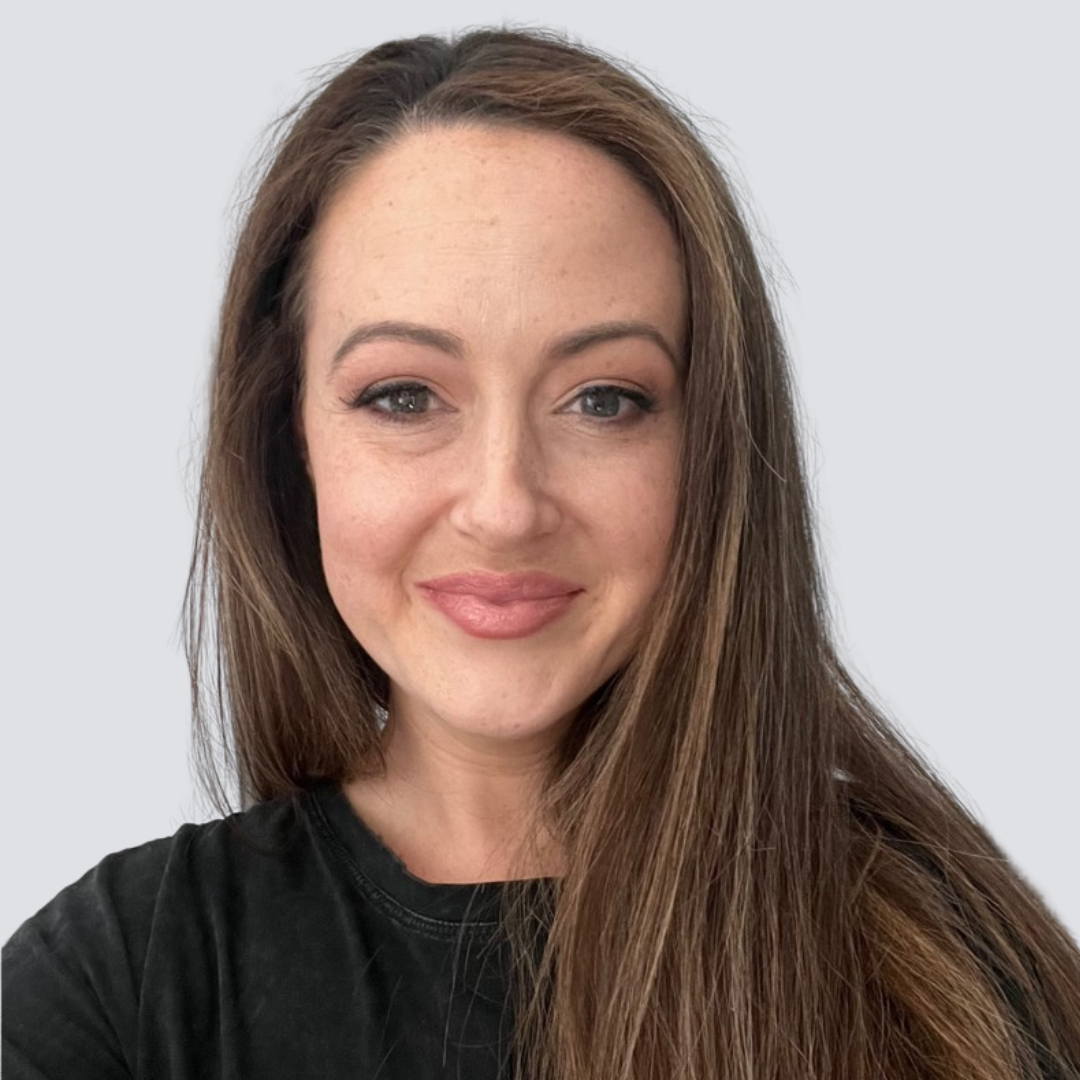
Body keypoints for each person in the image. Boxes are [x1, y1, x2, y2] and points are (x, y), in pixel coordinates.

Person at [3, 26, 1078, 1080]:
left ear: (707, 446)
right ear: (294, 442)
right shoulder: (124, 988)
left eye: (604, 399)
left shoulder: (949, 977)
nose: (505, 505)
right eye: (404, 396)